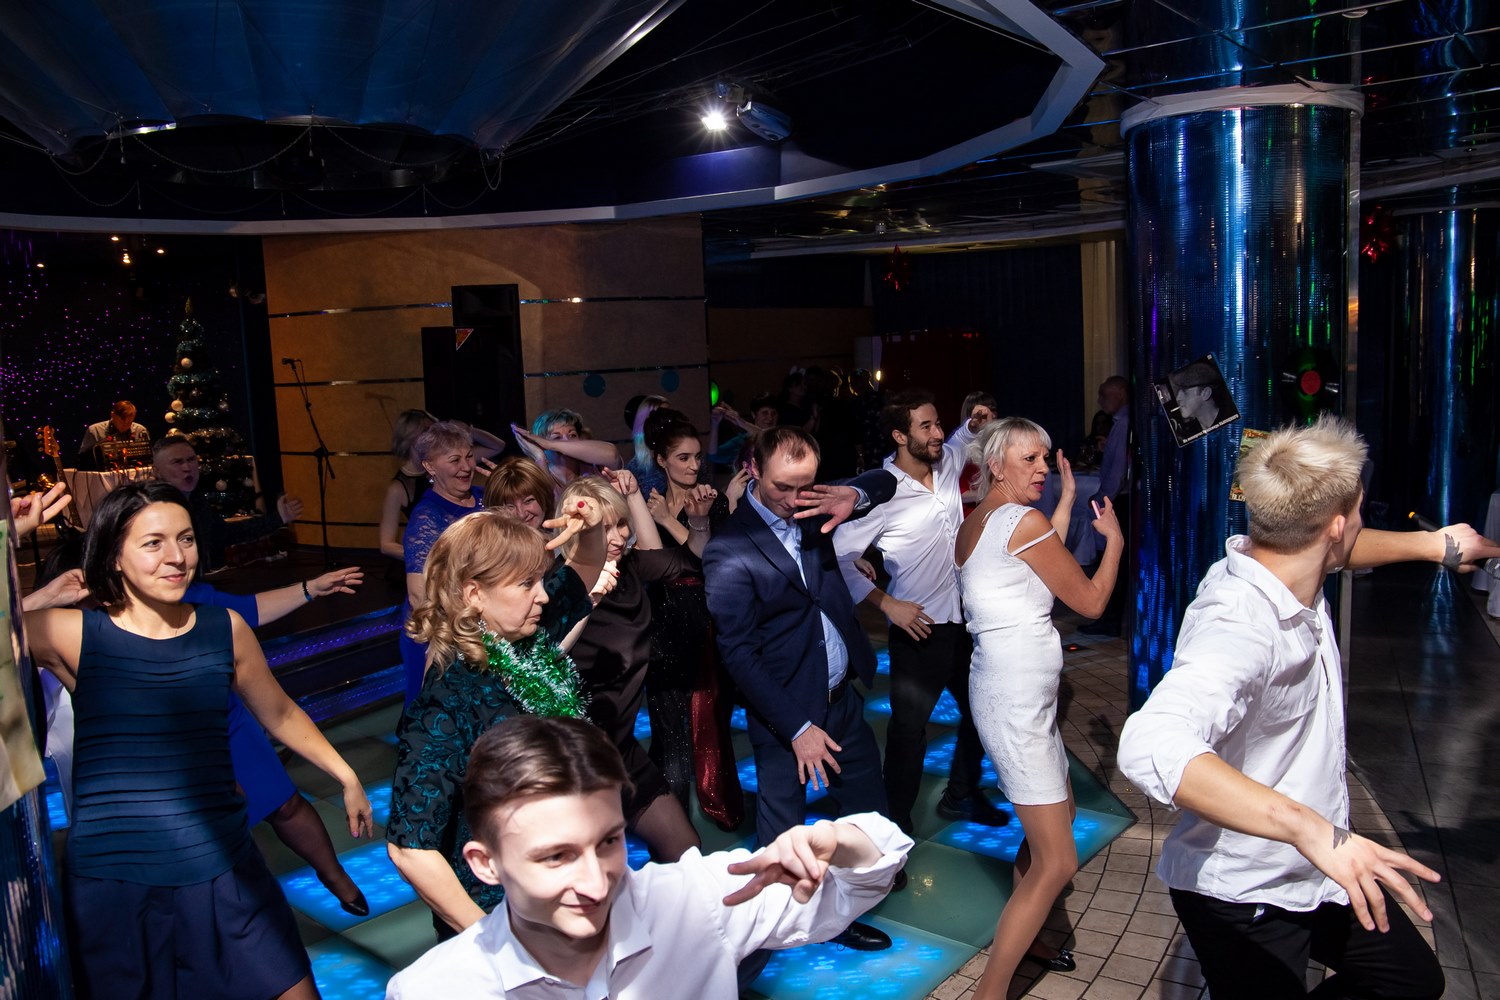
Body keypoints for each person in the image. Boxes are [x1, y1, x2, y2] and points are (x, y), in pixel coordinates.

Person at [1117, 418, 1500, 1000]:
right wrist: (1307, 827)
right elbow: (1151, 743)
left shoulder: (1285, 561)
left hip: (1315, 869)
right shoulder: (1239, 623)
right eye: (1360, 511)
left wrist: (1434, 546)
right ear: (1338, 524)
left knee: (1410, 980)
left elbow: (1341, 552)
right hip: (1243, 893)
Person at [23, 481, 372, 1000]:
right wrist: (27, 569)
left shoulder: (223, 629)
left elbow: (279, 711)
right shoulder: (71, 633)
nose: (176, 557)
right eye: (153, 543)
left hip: (222, 863)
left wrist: (345, 775)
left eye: (185, 539)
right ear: (114, 557)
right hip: (119, 878)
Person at [385, 715, 913, 1000]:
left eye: (609, 842)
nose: (596, 883)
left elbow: (872, 869)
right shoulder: (434, 990)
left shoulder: (690, 902)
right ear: (485, 863)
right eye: (557, 857)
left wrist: (837, 839)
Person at [703, 426, 899, 952]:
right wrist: (796, 728)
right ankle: (768, 935)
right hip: (784, 716)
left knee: (869, 814)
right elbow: (738, 654)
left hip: (841, 699)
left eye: (804, 486)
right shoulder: (728, 549)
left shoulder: (815, 507)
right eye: (782, 487)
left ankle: (846, 907)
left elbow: (886, 481)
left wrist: (850, 494)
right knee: (782, 838)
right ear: (752, 469)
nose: (794, 500)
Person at [955, 416, 1123, 995]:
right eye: (1030, 459)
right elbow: (1091, 601)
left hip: (1010, 692)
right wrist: (1114, 544)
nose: (1043, 469)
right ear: (996, 464)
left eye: (1046, 459)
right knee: (1059, 861)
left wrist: (1067, 501)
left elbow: (1035, 559)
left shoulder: (980, 520)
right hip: (1016, 701)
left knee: (1061, 816)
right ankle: (990, 993)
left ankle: (1030, 937)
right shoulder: (1022, 522)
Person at [388, 511, 591, 937]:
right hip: (508, 914)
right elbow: (410, 848)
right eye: (526, 584)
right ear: (474, 594)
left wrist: (591, 527)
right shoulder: (447, 700)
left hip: (565, 889)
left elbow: (583, 571)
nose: (543, 596)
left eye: (541, 580)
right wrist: (491, 937)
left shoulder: (525, 644)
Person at [833, 389, 1006, 834]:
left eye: (937, 423)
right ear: (899, 435)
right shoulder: (882, 492)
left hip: (965, 623)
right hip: (919, 631)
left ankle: (960, 795)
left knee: (983, 713)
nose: (937, 433)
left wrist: (973, 423)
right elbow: (838, 558)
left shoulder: (946, 461)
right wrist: (887, 604)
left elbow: (962, 438)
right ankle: (894, 830)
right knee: (908, 736)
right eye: (925, 426)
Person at [557, 473, 702, 862]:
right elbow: (541, 656)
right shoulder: (559, 584)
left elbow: (687, 560)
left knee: (686, 851)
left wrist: (695, 518)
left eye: (621, 523)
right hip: (574, 759)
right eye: (604, 528)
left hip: (620, 748)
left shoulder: (629, 567)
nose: (619, 536)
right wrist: (587, 601)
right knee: (593, 872)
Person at [642, 419, 743, 830]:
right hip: (661, 621)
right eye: (683, 457)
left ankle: (719, 801)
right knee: (669, 731)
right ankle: (672, 821)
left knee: (711, 719)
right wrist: (655, 515)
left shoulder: (711, 500)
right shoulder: (649, 502)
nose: (694, 465)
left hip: (706, 619)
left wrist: (670, 520)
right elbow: (646, 562)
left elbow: (709, 559)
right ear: (661, 460)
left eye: (698, 457)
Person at [483, 455, 609, 651]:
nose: (521, 513)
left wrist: (592, 528)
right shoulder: (489, 560)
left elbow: (585, 565)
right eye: (509, 506)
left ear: (543, 498)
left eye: (528, 501)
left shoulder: (566, 543)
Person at [400, 420, 485, 703]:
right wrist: (459, 631)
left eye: (469, 456)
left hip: (484, 622)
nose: (467, 466)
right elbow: (418, 594)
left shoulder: (484, 498)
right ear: (430, 466)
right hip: (442, 632)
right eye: (455, 460)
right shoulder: (427, 516)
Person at [152, 435, 303, 573]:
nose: (187, 468)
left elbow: (227, 534)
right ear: (157, 472)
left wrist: (278, 518)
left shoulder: (196, 501)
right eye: (177, 462)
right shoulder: (151, 509)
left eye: (191, 460)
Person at [378, 409, 505, 563]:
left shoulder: (455, 464)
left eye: (434, 429)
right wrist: (428, 555)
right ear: (409, 438)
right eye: (426, 431)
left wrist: (468, 430)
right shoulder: (399, 488)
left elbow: (497, 446)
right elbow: (386, 545)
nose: (433, 436)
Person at [512, 408, 621, 489]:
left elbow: (612, 454)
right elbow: (545, 501)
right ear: (540, 445)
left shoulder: (594, 469)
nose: (567, 441)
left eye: (572, 435)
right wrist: (540, 457)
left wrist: (551, 444)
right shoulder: (536, 476)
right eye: (557, 437)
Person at [76, 399, 149, 460]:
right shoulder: (95, 430)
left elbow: (149, 458)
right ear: (112, 415)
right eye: (122, 422)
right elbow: (82, 459)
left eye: (129, 423)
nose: (125, 426)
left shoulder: (140, 430)